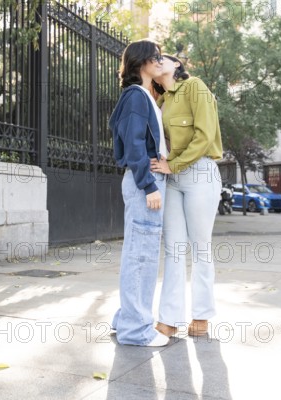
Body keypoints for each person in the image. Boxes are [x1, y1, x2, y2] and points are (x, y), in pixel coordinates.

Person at [150, 55, 223, 337]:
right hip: (171, 178)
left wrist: (173, 165)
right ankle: (169, 317)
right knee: (173, 248)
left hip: (199, 173)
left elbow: (205, 136)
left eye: (161, 57)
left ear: (176, 64)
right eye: (152, 59)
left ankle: (202, 316)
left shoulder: (195, 86)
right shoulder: (159, 102)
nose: (156, 61)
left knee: (200, 246)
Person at [109, 40, 170, 347]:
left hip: (145, 180)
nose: (161, 61)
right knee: (141, 256)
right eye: (156, 57)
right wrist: (148, 185)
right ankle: (136, 330)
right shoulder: (136, 96)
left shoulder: (147, 96)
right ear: (141, 61)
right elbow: (134, 145)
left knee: (138, 252)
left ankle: (125, 321)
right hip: (144, 181)